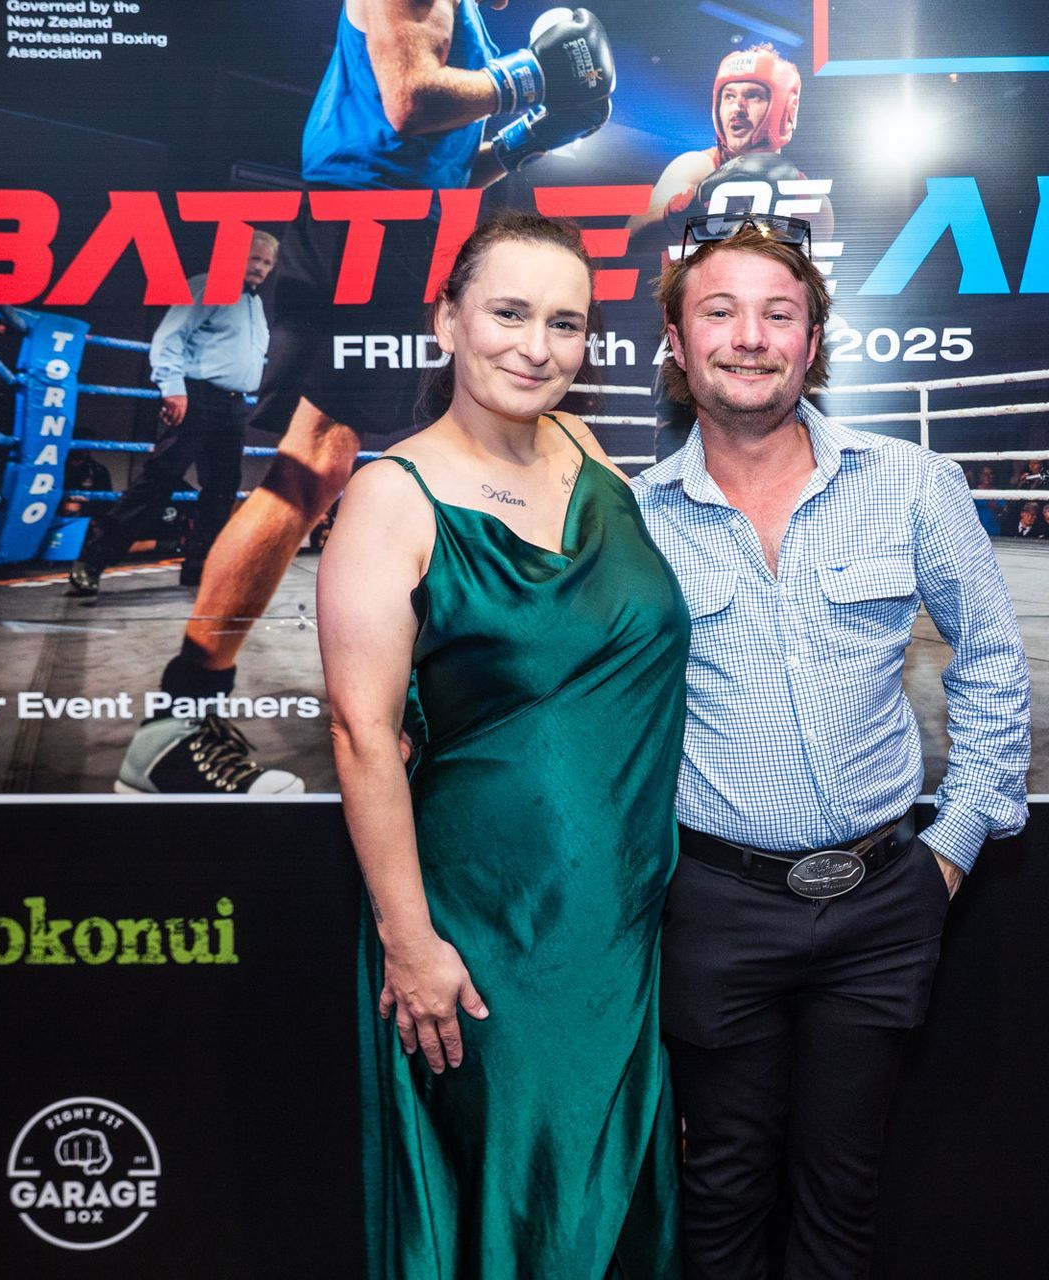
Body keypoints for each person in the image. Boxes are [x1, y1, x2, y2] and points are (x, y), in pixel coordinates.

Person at [633, 215, 1031, 1278]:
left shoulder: (911, 482)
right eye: (719, 311)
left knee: (843, 1194)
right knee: (721, 1190)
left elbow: (992, 656)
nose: (749, 337)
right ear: (676, 340)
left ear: (812, 342)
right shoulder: (635, 517)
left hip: (882, 904)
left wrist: (950, 850)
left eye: (779, 314)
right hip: (712, 906)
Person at [114, 0, 618, 793]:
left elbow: (444, 158)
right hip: (365, 225)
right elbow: (410, 100)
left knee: (375, 459)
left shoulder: (463, 16)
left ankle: (463, 693)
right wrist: (530, 79)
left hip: (404, 227)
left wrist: (531, 133)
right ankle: (175, 723)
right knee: (313, 465)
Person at [319, 215, 682, 1278]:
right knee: (527, 1214)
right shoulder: (391, 496)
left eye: (564, 322)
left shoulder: (587, 453)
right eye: (509, 313)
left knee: (624, 1219)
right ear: (447, 322)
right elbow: (361, 734)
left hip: (633, 924)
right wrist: (410, 944)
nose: (537, 346)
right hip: (490, 938)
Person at [629, 43, 831, 462]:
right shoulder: (695, 168)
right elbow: (634, 238)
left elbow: (813, 290)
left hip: (773, 357)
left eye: (753, 95)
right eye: (728, 96)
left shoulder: (804, 192)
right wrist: (685, 206)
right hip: (696, 360)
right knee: (678, 479)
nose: (736, 109)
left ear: (784, 107)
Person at [68, 231, 277, 596]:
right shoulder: (207, 285)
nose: (260, 267)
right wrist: (173, 389)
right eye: (254, 258)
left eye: (266, 262)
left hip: (232, 405)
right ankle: (92, 560)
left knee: (223, 486)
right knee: (160, 479)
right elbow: (169, 337)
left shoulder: (254, 304)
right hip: (196, 396)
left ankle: (200, 567)